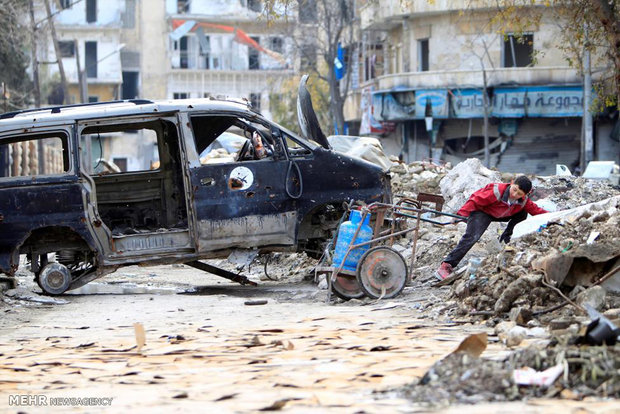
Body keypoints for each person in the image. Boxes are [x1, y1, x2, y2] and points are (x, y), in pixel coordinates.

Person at [436, 175, 548, 280]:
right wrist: (460, 215)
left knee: (523, 213)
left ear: (526, 194)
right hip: (483, 212)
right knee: (472, 237)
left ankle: (505, 240)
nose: (515, 195)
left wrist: (554, 217)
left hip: (501, 214)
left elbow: (536, 211)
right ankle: (447, 264)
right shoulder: (496, 191)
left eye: (519, 194)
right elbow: (475, 200)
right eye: (514, 190)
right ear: (512, 183)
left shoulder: (523, 201)